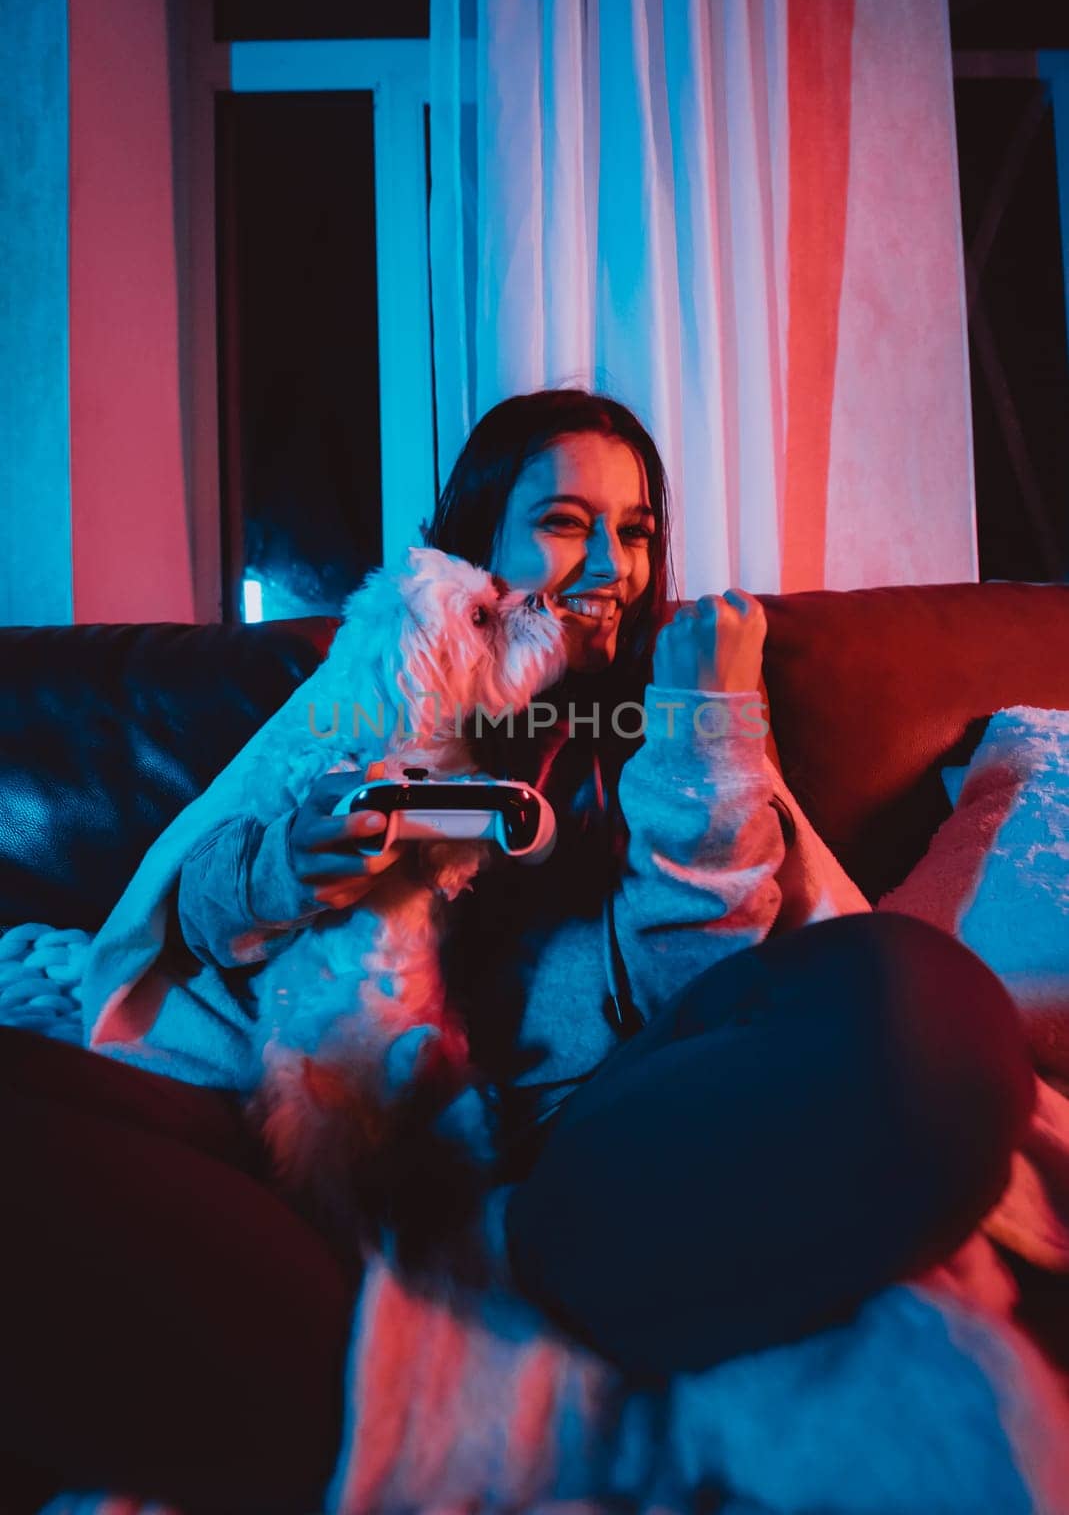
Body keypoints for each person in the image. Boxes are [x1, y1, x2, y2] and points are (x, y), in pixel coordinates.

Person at [0, 389, 1035, 1513]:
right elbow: (188, 916)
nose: (611, 564)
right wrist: (284, 867)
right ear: (479, 541)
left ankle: (535, 1330)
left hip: (577, 1165)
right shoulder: (385, 673)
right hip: (313, 1140)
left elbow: (707, 975)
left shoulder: (675, 706)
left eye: (635, 529)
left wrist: (705, 721)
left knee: (924, 1021)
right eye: (564, 522)